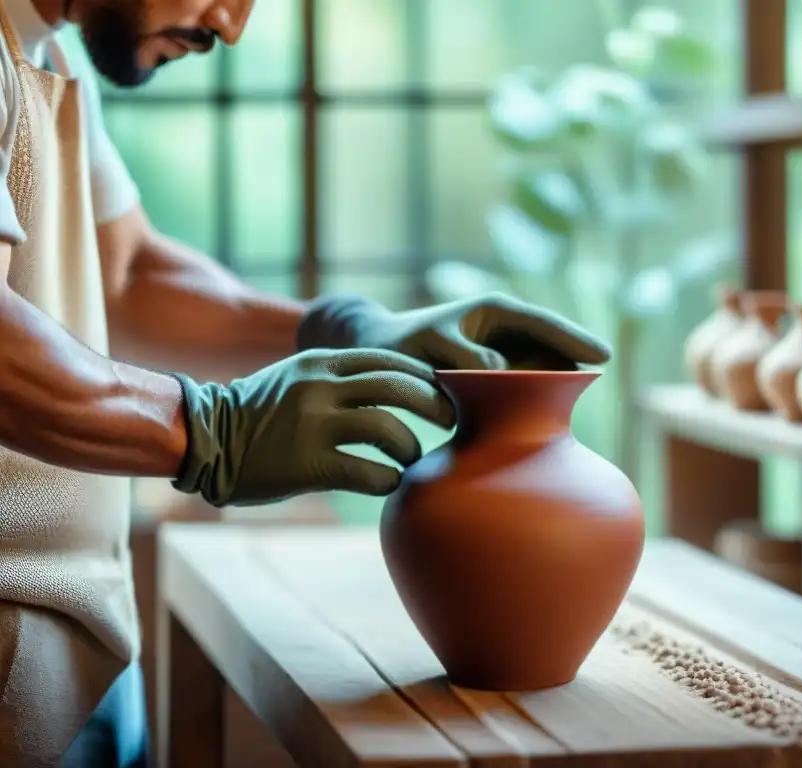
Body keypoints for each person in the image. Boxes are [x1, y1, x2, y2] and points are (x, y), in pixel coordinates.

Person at [0, 0, 611, 765]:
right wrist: (216, 429)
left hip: (78, 641)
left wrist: (342, 324)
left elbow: (128, 273)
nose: (229, 25)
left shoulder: (55, 55)